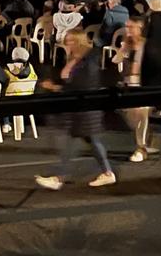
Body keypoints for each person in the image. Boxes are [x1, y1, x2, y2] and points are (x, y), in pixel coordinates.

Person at [35, 30, 116, 189]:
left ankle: (59, 178)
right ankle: (107, 173)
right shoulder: (75, 59)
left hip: (85, 109)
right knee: (92, 141)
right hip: (80, 108)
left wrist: (55, 87)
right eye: (67, 40)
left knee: (73, 143)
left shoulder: (88, 61)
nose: (68, 44)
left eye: (71, 40)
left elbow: (83, 85)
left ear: (79, 41)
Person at [113, 14, 154, 161]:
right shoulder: (127, 44)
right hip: (128, 83)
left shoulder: (146, 45)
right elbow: (115, 60)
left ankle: (141, 148)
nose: (128, 29)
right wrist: (123, 48)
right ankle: (146, 141)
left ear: (140, 27)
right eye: (127, 26)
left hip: (142, 83)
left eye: (131, 27)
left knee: (141, 116)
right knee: (132, 119)